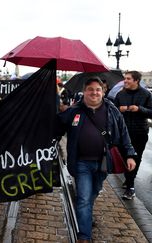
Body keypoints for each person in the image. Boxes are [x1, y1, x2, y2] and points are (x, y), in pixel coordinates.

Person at [57, 77, 136, 242]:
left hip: (103, 162)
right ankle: (84, 236)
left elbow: (123, 133)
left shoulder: (112, 110)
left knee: (92, 193)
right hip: (81, 162)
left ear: (103, 91)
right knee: (84, 197)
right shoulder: (74, 111)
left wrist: (130, 154)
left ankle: (85, 214)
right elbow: (55, 128)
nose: (94, 92)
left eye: (97, 89)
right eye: (90, 89)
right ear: (84, 92)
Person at [113, 71, 152, 200]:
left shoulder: (146, 94)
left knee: (135, 157)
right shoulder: (120, 94)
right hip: (123, 133)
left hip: (139, 132)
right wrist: (119, 109)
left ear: (136, 80)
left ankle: (130, 186)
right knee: (125, 157)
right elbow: (113, 110)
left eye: (128, 79)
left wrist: (139, 109)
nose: (125, 81)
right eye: (125, 79)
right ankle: (129, 180)